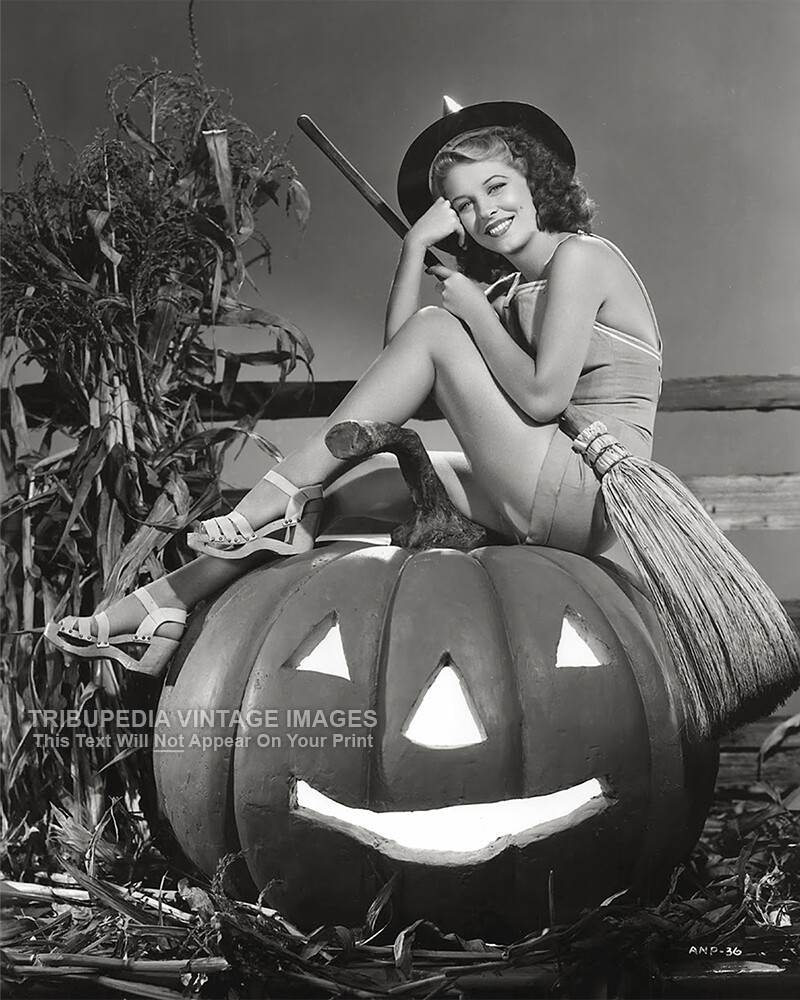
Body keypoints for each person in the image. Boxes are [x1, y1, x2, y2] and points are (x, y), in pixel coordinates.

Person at [44, 100, 662, 677]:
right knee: (350, 491)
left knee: (431, 332)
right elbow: (407, 374)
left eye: (497, 186)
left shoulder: (582, 258)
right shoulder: (509, 293)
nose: (486, 210)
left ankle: (268, 499)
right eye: (464, 204)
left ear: (535, 182)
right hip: (539, 482)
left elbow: (543, 398)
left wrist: (470, 311)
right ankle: (166, 602)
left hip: (589, 490)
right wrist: (413, 248)